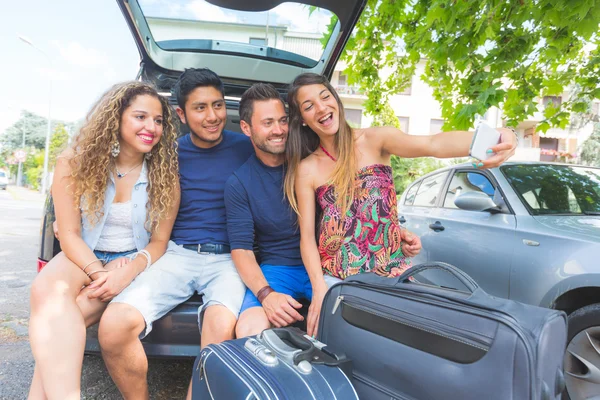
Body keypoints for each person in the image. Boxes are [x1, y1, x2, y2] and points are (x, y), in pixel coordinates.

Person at [284, 73, 518, 336]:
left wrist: (500, 136)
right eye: (308, 106)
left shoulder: (376, 139)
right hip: (339, 280)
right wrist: (319, 289)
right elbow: (307, 238)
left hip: (392, 272)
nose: (321, 108)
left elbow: (433, 144)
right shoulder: (307, 169)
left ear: (336, 100)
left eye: (325, 97)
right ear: (302, 120)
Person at [97, 68, 254, 400]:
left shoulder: (249, 148)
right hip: (175, 253)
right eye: (200, 108)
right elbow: (119, 179)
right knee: (113, 327)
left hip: (230, 259)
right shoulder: (165, 153)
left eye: (217, 105)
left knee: (219, 332)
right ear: (181, 114)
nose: (212, 116)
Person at [226, 83, 422, 338]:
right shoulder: (239, 182)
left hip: (331, 265)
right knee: (248, 328)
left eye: (283, 120)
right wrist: (266, 294)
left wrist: (394, 231)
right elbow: (242, 250)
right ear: (246, 128)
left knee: (357, 328)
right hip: (279, 269)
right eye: (268, 123)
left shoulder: (317, 156)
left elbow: (361, 204)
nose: (278, 130)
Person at [28, 81, 180, 400]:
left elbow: (159, 242)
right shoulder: (74, 162)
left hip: (131, 260)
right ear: (117, 117)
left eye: (158, 120)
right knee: (44, 289)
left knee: (58, 326)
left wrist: (128, 271)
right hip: (83, 253)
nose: (151, 127)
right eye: (140, 117)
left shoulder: (165, 174)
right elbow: (68, 234)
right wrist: (101, 275)